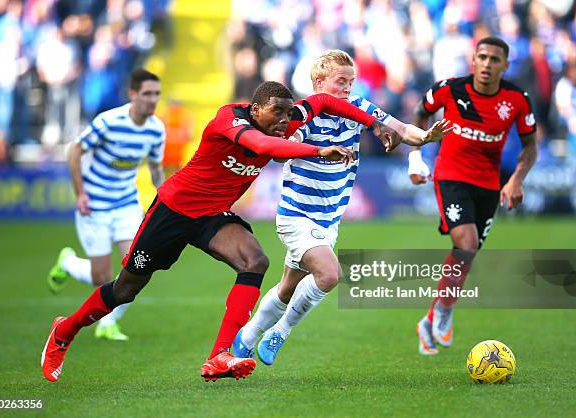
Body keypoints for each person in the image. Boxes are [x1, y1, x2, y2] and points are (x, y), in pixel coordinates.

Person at [41, 80, 397, 382]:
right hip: (174, 209)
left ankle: (220, 355)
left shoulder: (280, 121)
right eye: (279, 114)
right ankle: (65, 330)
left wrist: (373, 123)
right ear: (256, 109)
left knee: (255, 261)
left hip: (213, 215)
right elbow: (263, 147)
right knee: (126, 288)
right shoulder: (230, 118)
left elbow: (321, 101)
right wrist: (318, 149)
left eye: (290, 115)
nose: (286, 122)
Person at [232, 50, 451, 366]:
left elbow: (402, 129)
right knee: (330, 274)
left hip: (329, 219)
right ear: (320, 81)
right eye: (341, 82)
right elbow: (280, 152)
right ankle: (280, 331)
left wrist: (426, 137)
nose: (348, 88)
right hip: (297, 213)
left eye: (351, 81)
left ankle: (247, 337)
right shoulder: (303, 114)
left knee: (287, 288)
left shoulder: (359, 108)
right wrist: (319, 151)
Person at [408, 37, 537, 355]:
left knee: (465, 255)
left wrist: (516, 180)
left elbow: (530, 145)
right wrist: (416, 157)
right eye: (482, 57)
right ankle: (445, 311)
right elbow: (418, 114)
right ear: (473, 60)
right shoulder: (449, 89)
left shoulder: (517, 99)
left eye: (495, 59)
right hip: (451, 176)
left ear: (505, 65)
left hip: (489, 184)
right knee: (465, 244)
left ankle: (429, 319)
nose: (487, 64)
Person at [46, 68, 165, 341]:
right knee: (102, 276)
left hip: (125, 204)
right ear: (132, 94)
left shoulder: (156, 129)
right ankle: (68, 262)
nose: (152, 99)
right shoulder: (109, 122)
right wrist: (80, 193)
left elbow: (156, 169)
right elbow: (75, 150)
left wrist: (164, 198)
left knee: (137, 267)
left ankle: (108, 324)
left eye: (156, 94)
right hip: (95, 205)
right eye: (147, 93)